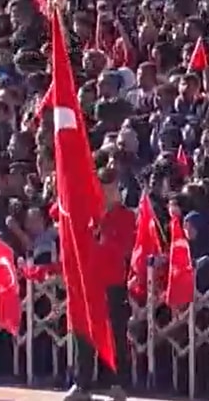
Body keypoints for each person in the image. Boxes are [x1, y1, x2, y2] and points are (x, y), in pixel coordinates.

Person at [65, 172, 134, 401]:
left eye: (112, 187)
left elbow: (123, 248)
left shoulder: (125, 216)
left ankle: (117, 382)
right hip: (88, 282)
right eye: (104, 188)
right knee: (83, 332)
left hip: (113, 282)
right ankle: (82, 383)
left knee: (115, 334)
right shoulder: (89, 215)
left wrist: (102, 241)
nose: (108, 193)